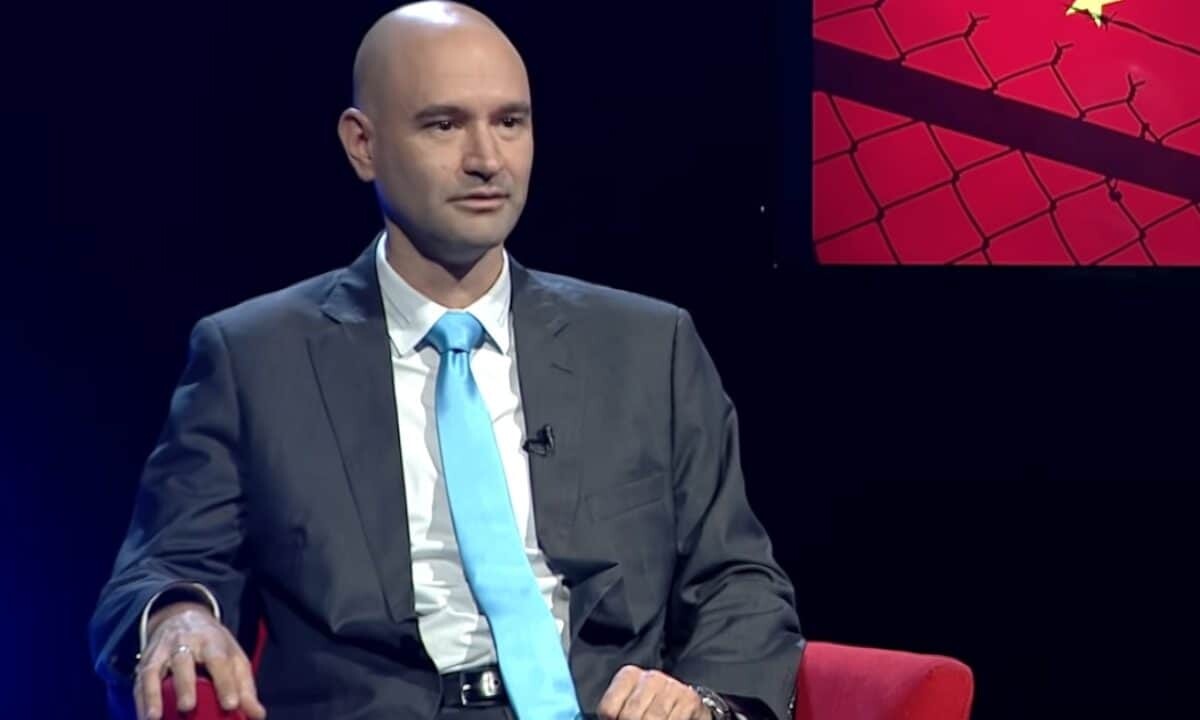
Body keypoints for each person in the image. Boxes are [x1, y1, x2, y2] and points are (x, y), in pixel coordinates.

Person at [88, 3, 803, 719]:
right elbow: (164, 564)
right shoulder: (255, 359)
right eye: (444, 125)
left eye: (510, 122)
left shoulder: (648, 347)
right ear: (363, 145)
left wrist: (701, 700)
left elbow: (737, 579)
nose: (487, 159)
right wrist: (179, 612)